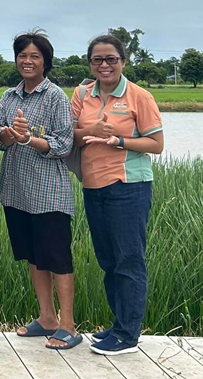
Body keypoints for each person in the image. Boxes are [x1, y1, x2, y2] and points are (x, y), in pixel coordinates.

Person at [74, 34, 163, 356]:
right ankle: (118, 324)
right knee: (108, 261)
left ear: (123, 61)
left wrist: (120, 142)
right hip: (92, 185)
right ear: (91, 64)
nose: (104, 65)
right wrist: (91, 132)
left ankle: (128, 335)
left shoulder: (139, 96)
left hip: (129, 187)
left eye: (111, 58)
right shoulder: (83, 94)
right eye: (97, 59)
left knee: (129, 260)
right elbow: (70, 132)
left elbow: (156, 144)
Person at [0, 31, 80, 350]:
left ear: (46, 62)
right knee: (33, 256)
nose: (27, 61)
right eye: (22, 56)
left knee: (57, 259)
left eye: (35, 56)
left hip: (49, 193)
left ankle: (68, 324)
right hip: (16, 191)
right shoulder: (9, 97)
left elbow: (62, 143)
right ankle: (46, 319)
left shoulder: (55, 96)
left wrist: (28, 139)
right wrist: (6, 135)